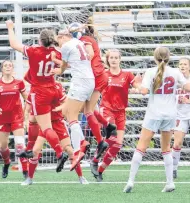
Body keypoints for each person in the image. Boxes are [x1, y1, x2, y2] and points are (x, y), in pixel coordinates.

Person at [123, 47, 190, 193]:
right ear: (169, 58)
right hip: (170, 114)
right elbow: (189, 89)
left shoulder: (150, 72)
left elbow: (143, 92)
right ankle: (169, 183)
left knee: (141, 147)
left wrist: (136, 82)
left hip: (154, 113)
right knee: (166, 149)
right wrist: (182, 82)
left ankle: (130, 181)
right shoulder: (175, 72)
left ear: (155, 58)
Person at [6, 20, 68, 175]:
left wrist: (10, 28)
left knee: (46, 127)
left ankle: (60, 153)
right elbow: (66, 65)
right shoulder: (57, 53)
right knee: (33, 120)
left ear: (40, 40)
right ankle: (29, 150)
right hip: (53, 88)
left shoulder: (34, 51)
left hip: (40, 91)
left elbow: (14, 44)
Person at [51, 27, 105, 171]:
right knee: (66, 112)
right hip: (89, 80)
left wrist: (57, 67)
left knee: (71, 116)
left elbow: (63, 66)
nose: (58, 44)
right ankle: (81, 145)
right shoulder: (78, 42)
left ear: (63, 37)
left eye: (58, 41)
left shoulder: (66, 46)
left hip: (80, 81)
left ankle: (79, 147)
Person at [22, 82, 90, 185]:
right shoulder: (35, 88)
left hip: (58, 122)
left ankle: (81, 177)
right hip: (44, 124)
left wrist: (62, 111)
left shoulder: (57, 86)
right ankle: (29, 178)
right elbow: (27, 109)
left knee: (69, 150)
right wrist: (26, 121)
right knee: (35, 151)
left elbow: (66, 103)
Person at [90, 49, 142, 182]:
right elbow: (95, 90)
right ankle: (94, 160)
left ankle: (100, 171)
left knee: (118, 145)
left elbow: (137, 86)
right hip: (107, 109)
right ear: (108, 60)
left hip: (121, 112)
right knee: (112, 138)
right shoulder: (104, 75)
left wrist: (139, 85)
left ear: (120, 59)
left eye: (116, 57)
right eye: (111, 58)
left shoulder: (127, 75)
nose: (113, 60)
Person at [71, 20, 117, 156]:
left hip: (96, 76)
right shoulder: (86, 39)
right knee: (90, 108)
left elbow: (89, 55)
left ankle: (101, 140)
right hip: (94, 76)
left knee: (88, 110)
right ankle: (108, 127)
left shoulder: (85, 40)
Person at [0, 60, 28, 179]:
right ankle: (6, 163)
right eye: (5, 65)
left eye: (10, 65)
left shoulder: (19, 83)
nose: (8, 67)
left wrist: (25, 117)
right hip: (2, 118)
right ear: (2, 68)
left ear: (12, 68)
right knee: (2, 147)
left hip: (17, 117)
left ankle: (25, 172)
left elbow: (28, 100)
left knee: (20, 144)